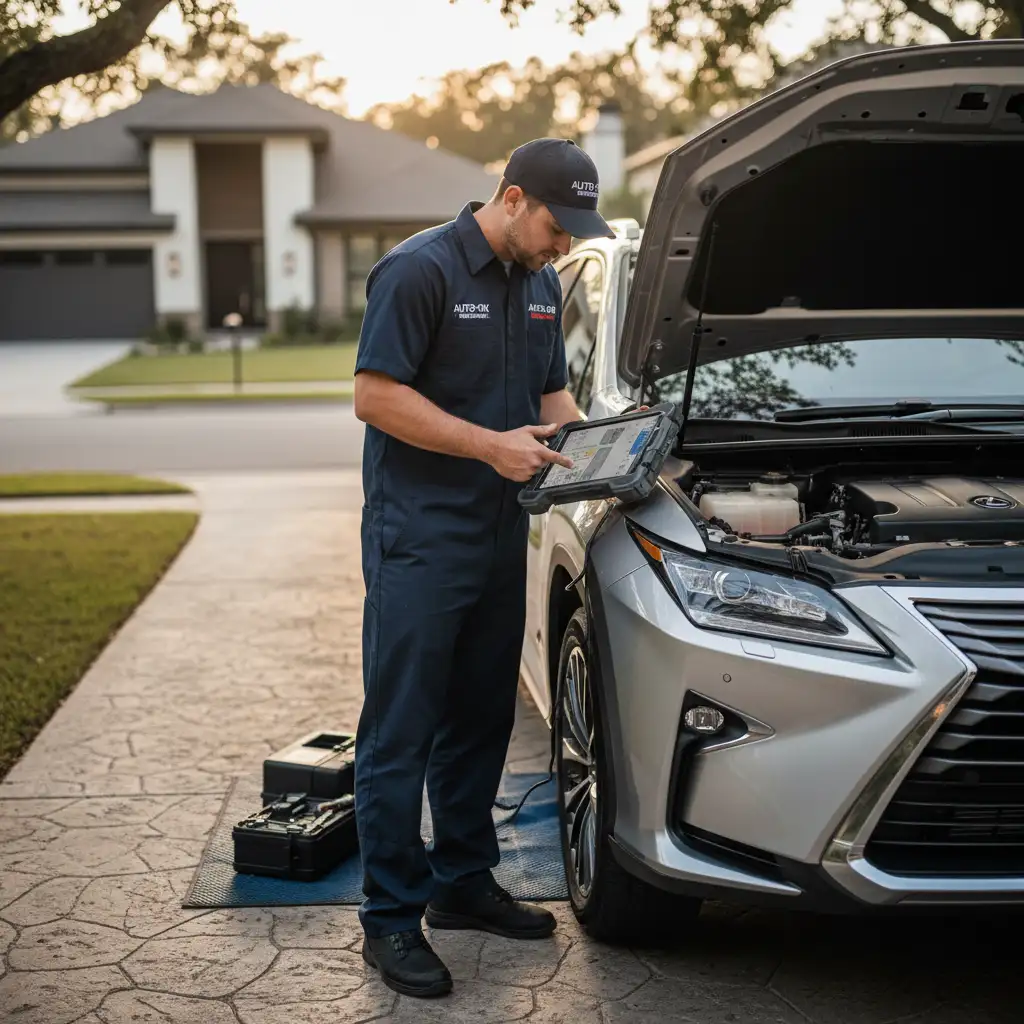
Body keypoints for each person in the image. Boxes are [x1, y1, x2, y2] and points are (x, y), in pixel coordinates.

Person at [352, 137, 616, 999]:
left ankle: (461, 882)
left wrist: (609, 449)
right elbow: (375, 395)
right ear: (510, 199)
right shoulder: (417, 270)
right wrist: (486, 447)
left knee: (478, 718)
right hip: (420, 538)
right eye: (555, 223)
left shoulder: (540, 286)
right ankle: (390, 918)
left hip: (505, 531)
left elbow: (554, 403)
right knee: (402, 730)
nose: (565, 244)